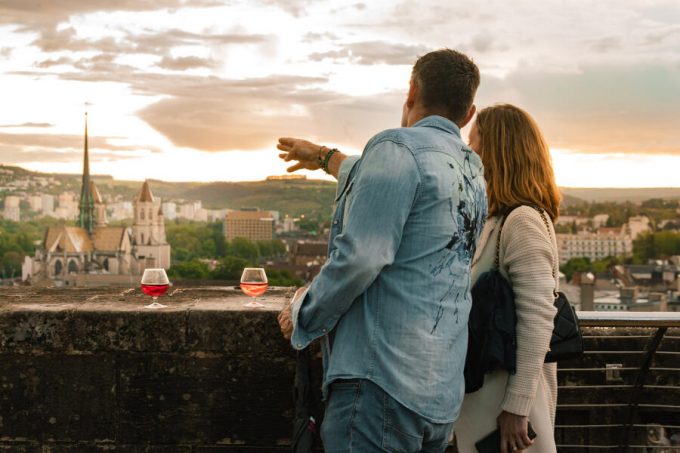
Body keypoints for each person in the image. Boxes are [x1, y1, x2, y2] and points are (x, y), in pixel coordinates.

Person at [276, 49, 487, 452]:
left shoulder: (396, 147)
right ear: (469, 113)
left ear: (411, 91)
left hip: (382, 385)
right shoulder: (470, 168)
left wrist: (305, 314)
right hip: (439, 391)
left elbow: (361, 258)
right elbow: (394, 182)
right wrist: (324, 157)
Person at [455, 104, 561, 453]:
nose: (469, 152)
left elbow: (538, 319)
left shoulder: (523, 221)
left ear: (495, 150)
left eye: (474, 142)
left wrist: (517, 407)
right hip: (488, 397)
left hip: (506, 405)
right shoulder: (498, 219)